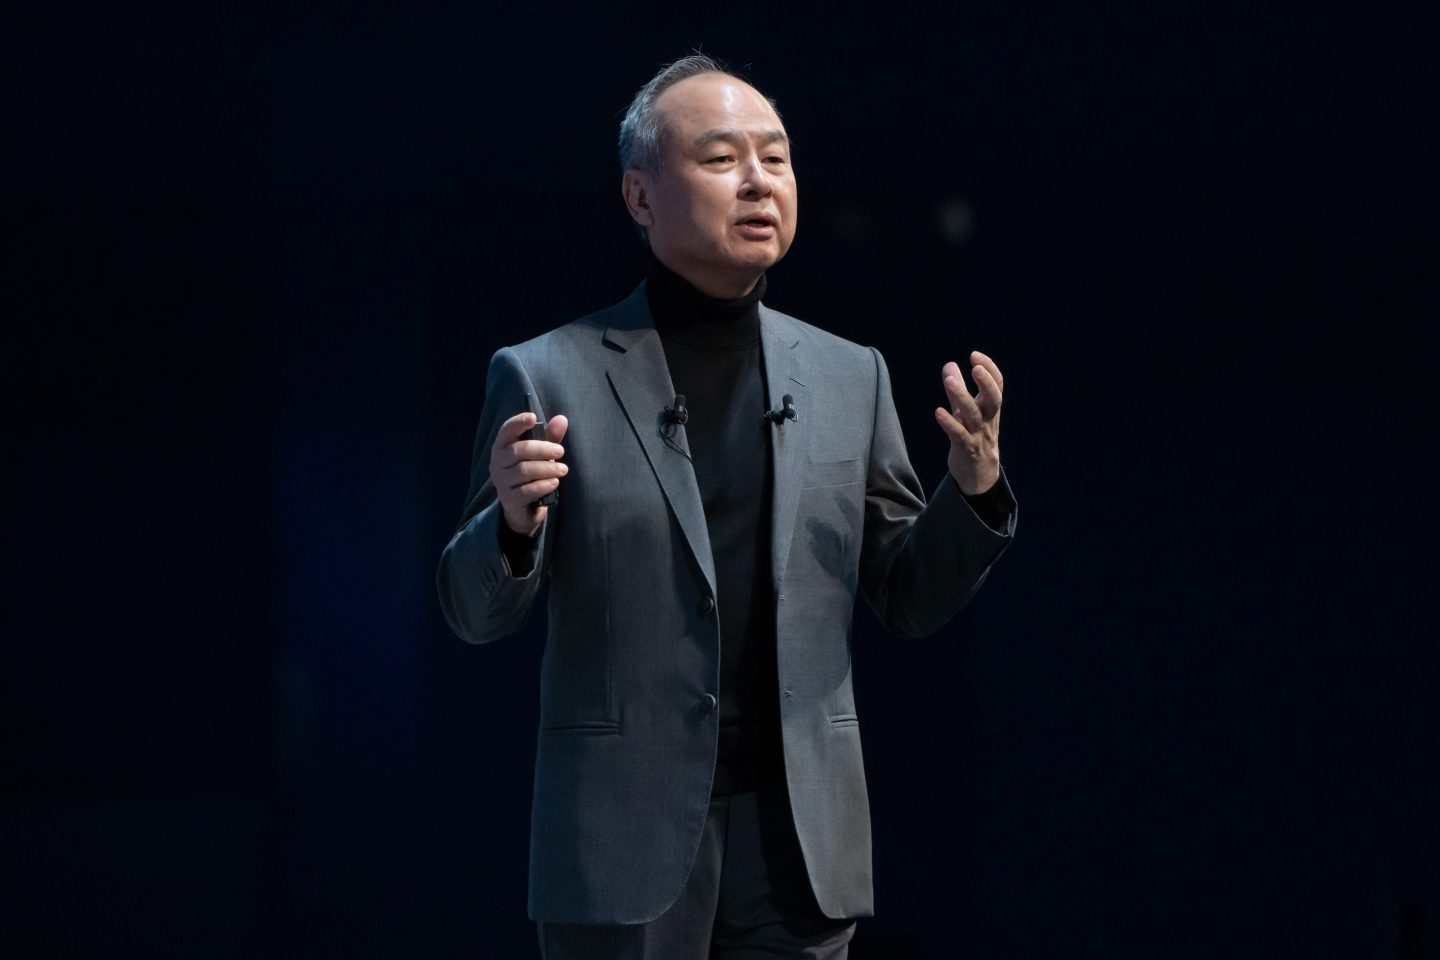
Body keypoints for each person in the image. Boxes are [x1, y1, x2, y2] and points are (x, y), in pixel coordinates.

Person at [437, 54, 1016, 960]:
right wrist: (511, 524)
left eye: (776, 158)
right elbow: (474, 611)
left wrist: (973, 492)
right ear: (640, 196)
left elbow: (906, 595)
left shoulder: (846, 374)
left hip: (799, 846)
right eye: (720, 159)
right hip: (622, 843)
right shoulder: (547, 372)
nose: (758, 181)